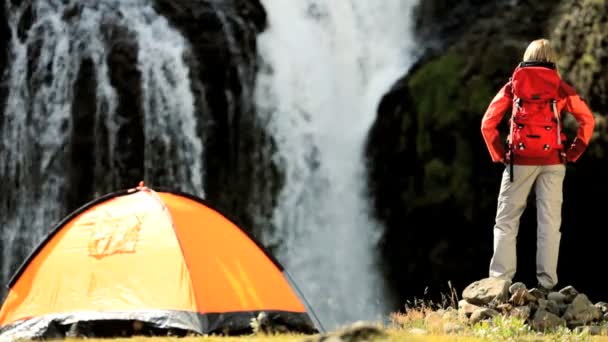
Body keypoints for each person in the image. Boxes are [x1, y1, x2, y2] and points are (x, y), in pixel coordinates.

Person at [480, 39, 595, 292]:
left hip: (518, 162)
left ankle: (500, 282)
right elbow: (587, 120)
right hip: (554, 161)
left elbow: (488, 123)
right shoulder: (561, 88)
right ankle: (547, 285)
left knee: (507, 221)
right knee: (550, 224)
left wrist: (499, 154)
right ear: (553, 59)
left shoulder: (513, 86)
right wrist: (573, 152)